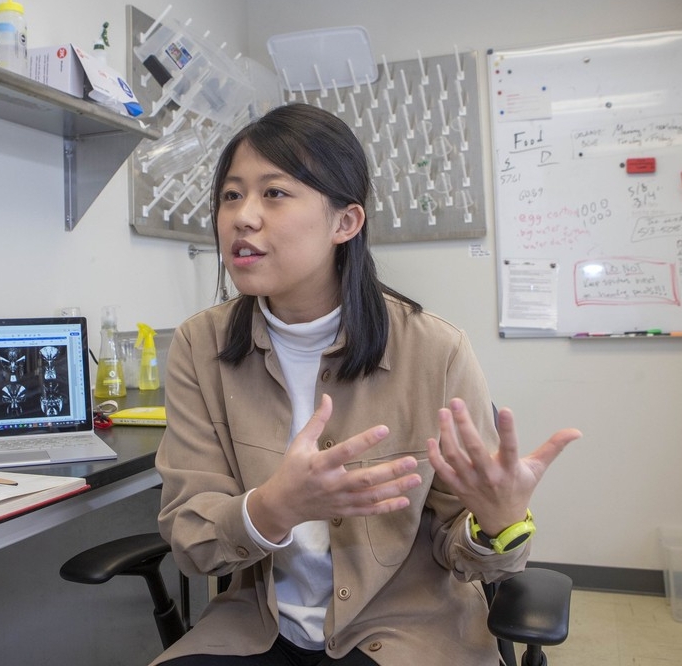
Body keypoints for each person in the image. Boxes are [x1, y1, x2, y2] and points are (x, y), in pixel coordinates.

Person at [152, 103, 581, 666]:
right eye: (231, 195)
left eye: (274, 193)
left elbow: (467, 554)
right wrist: (275, 506)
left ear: (345, 222)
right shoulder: (198, 346)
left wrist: (499, 521)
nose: (242, 217)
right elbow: (191, 534)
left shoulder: (436, 350)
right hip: (259, 627)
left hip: (410, 631)